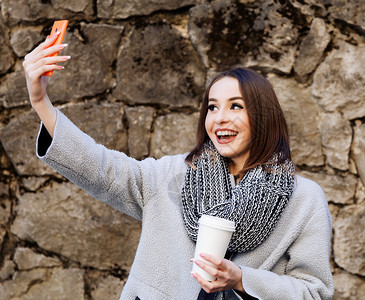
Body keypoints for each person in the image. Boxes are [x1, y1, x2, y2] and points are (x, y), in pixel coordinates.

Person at [23, 32, 334, 299]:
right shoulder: (172, 175)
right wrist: (41, 102)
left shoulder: (304, 200)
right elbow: (102, 168)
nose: (220, 117)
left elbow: (314, 291)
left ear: (264, 115)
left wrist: (242, 279)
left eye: (236, 106)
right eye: (212, 107)